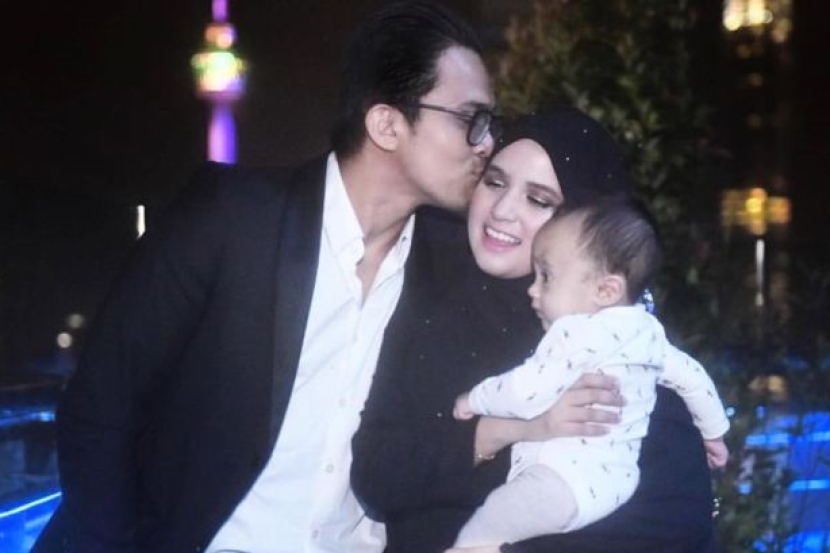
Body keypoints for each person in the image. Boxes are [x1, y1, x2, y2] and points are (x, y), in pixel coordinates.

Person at [34, 4, 619, 553]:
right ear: (387, 124)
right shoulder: (234, 219)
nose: (488, 144)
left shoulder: (453, 262)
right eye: (471, 120)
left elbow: (576, 297)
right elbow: (100, 407)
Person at [352, 107, 721, 553]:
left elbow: (670, 521)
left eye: (539, 200)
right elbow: (375, 477)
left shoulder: (613, 340)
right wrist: (501, 429)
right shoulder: (429, 299)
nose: (503, 211)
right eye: (494, 182)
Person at [450, 199, 730, 551]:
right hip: (614, 485)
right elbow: (694, 379)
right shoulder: (649, 334)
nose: (532, 289)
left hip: (561, 481)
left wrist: (475, 399)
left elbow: (525, 392)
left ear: (605, 290)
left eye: (546, 277)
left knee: (485, 527)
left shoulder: (575, 335)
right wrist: (714, 434)